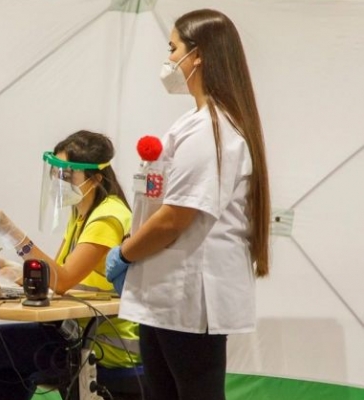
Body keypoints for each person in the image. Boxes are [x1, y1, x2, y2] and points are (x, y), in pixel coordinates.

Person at [105, 9, 270, 400]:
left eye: (173, 47)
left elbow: (175, 218)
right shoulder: (193, 124)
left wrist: (125, 254)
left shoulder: (212, 130)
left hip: (189, 298)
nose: (168, 59)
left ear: (197, 56)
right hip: (166, 295)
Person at [0, 130, 141, 400]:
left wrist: (13, 233)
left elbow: (62, 280)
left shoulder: (107, 217)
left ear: (95, 178)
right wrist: (16, 272)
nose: (59, 181)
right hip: (76, 332)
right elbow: (60, 277)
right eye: (56, 172)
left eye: (67, 174)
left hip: (102, 343)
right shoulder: (82, 215)